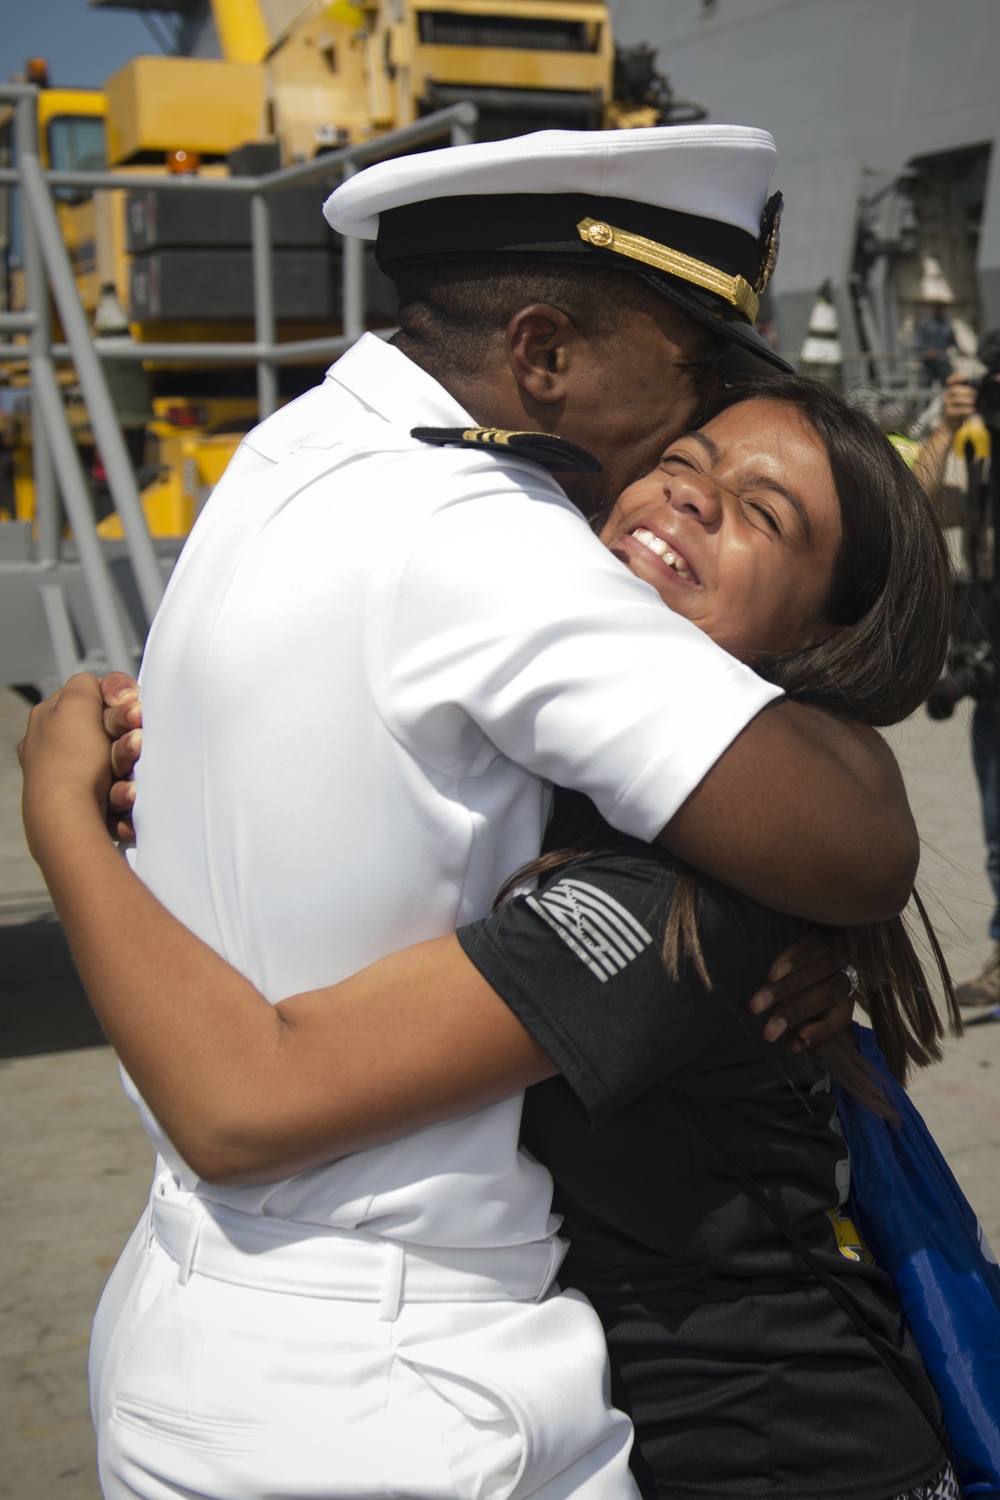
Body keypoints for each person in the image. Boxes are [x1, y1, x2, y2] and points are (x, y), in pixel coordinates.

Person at [57, 125, 924, 1500]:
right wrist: (61, 832)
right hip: (397, 1391)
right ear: (541, 356)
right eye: (691, 389)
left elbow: (845, 836)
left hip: (210, 1320)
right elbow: (857, 843)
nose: (680, 458)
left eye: (763, 513)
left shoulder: (296, 456)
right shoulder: (493, 544)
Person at [915, 302, 957, 388]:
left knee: (948, 385)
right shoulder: (925, 324)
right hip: (929, 363)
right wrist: (927, 351)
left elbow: (952, 341)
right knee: (925, 386)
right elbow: (919, 342)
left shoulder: (946, 324)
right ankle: (925, 402)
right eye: (936, 308)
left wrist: (960, 350)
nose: (938, 311)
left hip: (943, 362)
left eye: (940, 309)